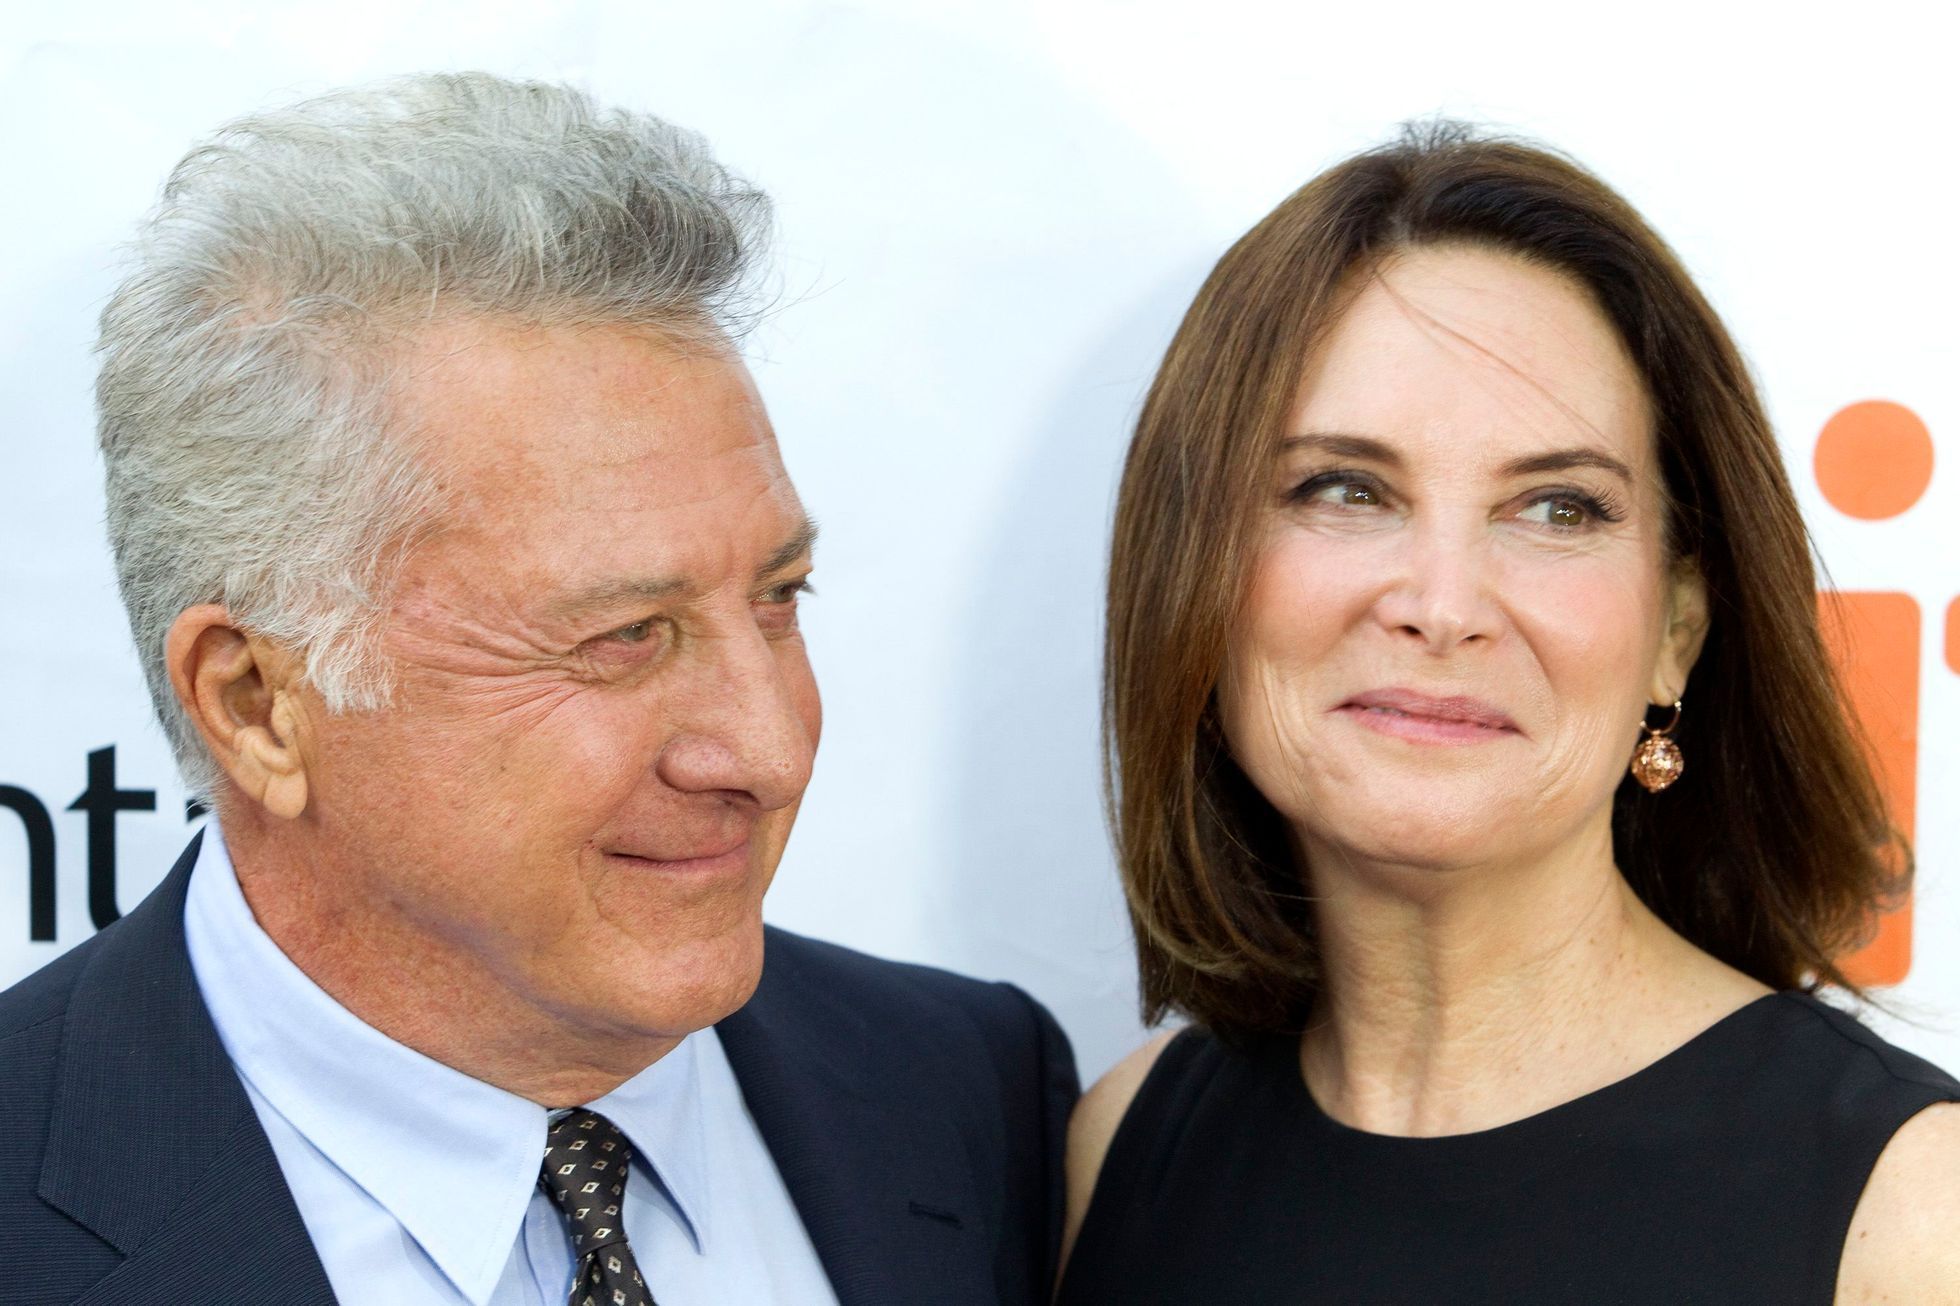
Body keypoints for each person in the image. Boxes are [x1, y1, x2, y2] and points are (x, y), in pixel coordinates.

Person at [0, 73, 1075, 1306]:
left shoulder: (962, 1090)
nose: (768, 750)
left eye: (779, 598)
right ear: (254, 703)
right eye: (623, 636)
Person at [1058, 125, 1960, 1303]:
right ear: (1195, 579)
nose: (1443, 604)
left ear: (1674, 631)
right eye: (1344, 488)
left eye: (1556, 508)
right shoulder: (1124, 1145)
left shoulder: (1912, 1215)